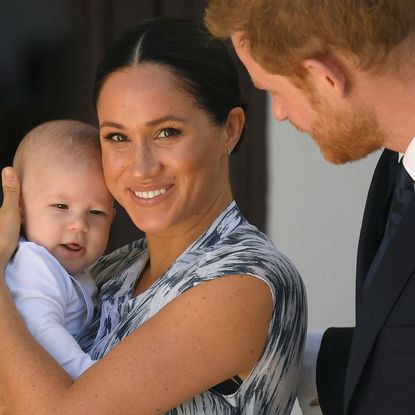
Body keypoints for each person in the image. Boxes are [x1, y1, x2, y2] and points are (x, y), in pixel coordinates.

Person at [0, 17, 306, 415]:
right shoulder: (111, 268)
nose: (141, 167)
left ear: (229, 130)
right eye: (117, 137)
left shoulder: (244, 280)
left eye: (167, 133)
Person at [204, 1, 415, 415]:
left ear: (325, 77)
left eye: (273, 92)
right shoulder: (397, 162)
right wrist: (275, 355)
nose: (280, 114)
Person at [5, 120, 115, 380]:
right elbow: (40, 329)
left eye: (96, 212)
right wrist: (89, 377)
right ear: (20, 208)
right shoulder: (33, 264)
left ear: (113, 217)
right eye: (61, 207)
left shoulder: (75, 271)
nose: (79, 225)